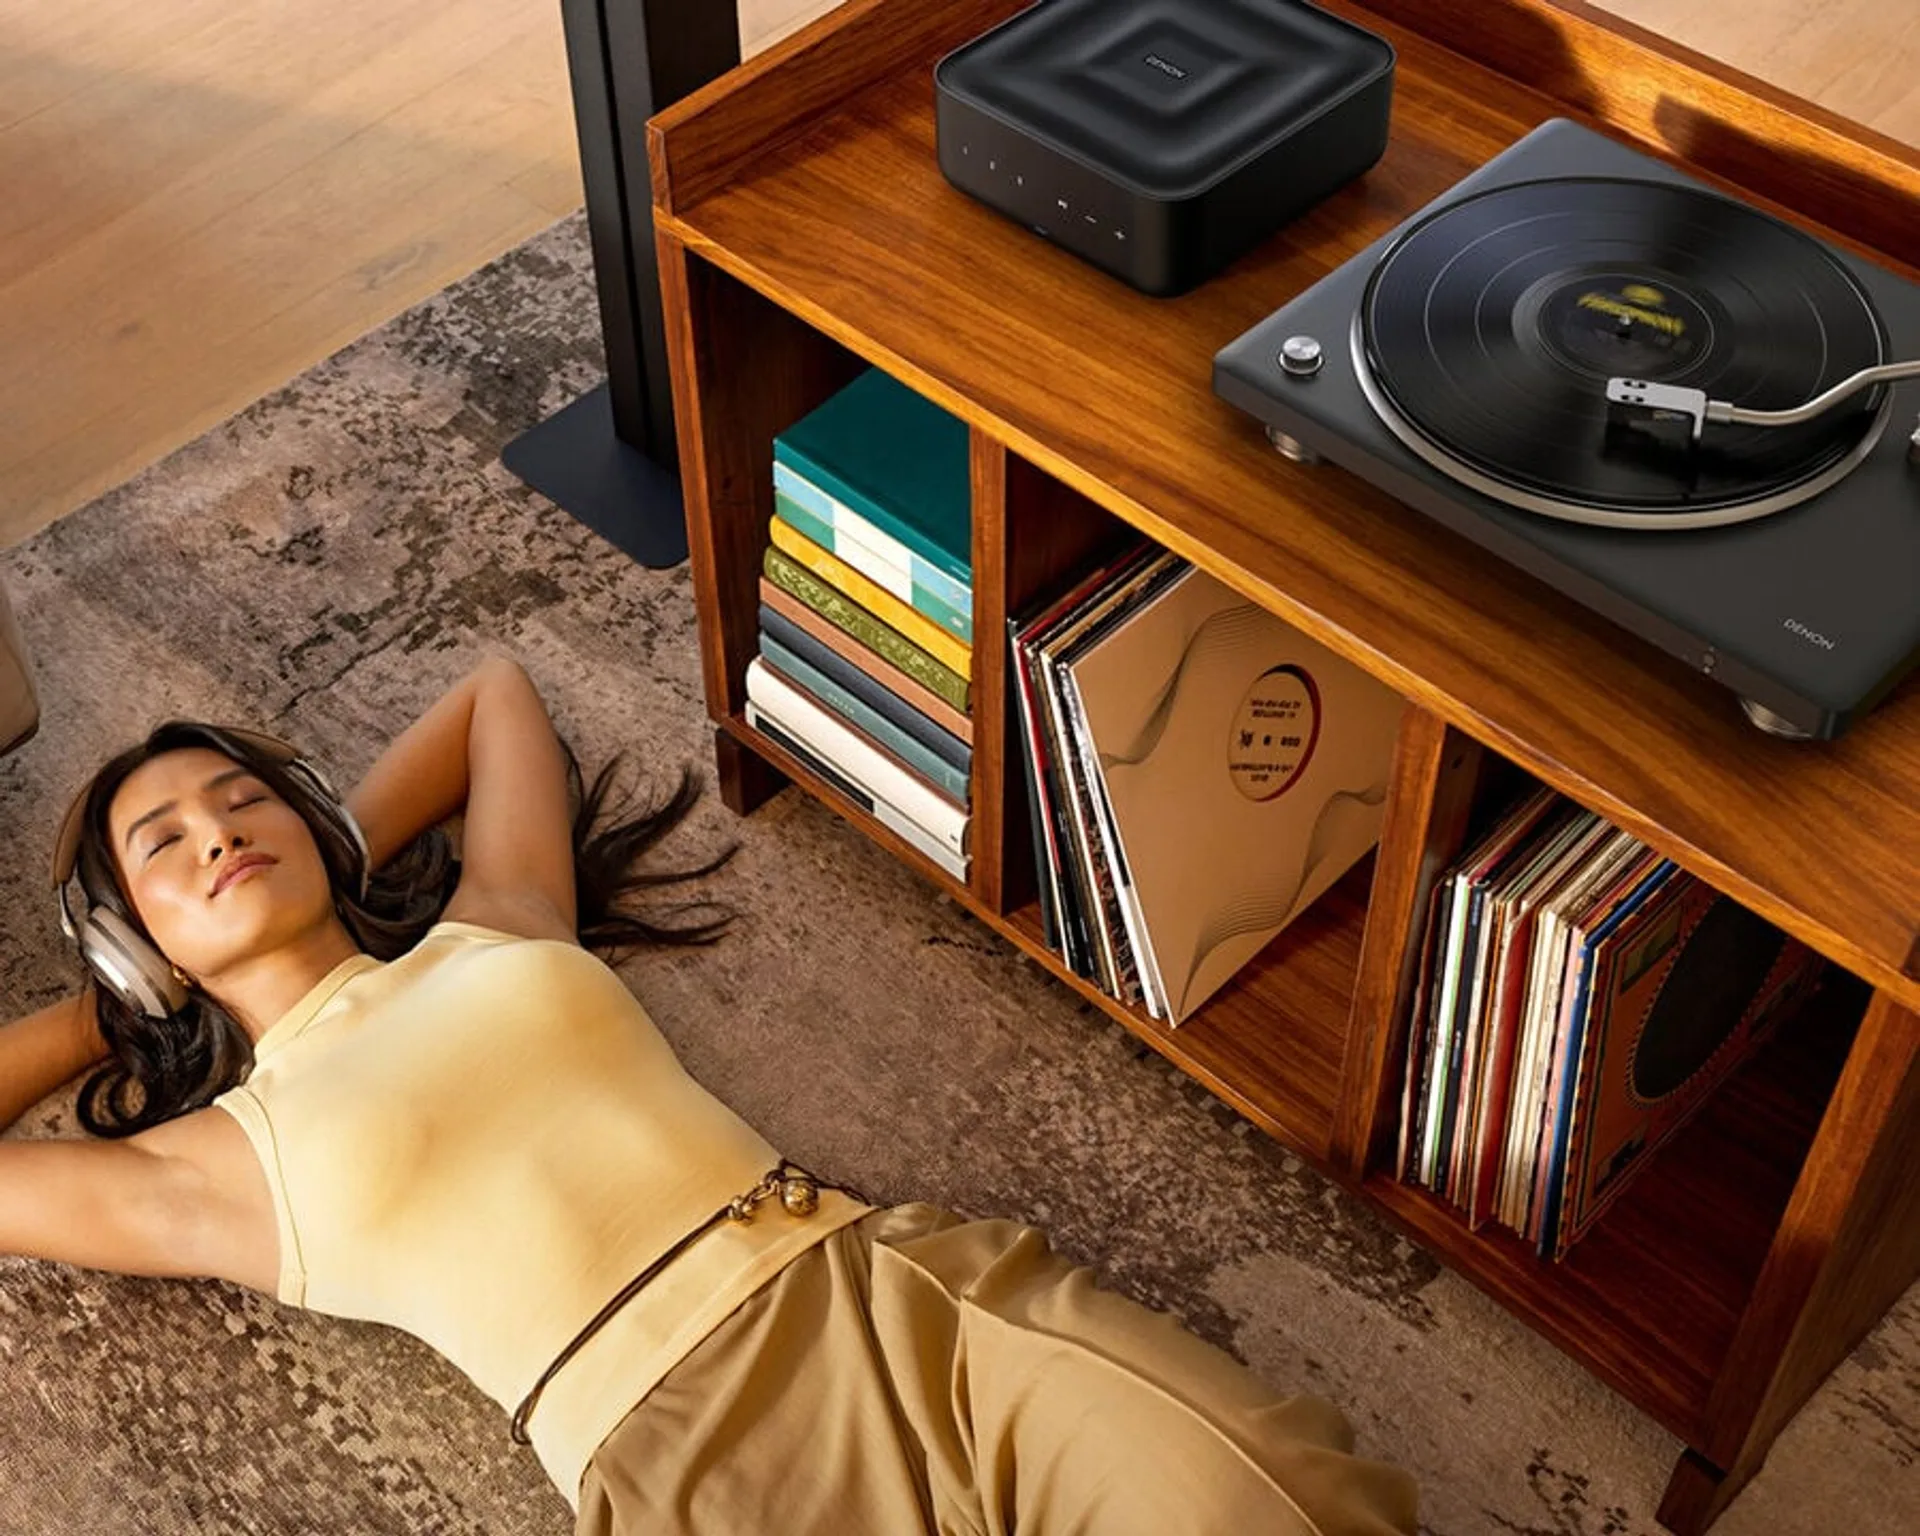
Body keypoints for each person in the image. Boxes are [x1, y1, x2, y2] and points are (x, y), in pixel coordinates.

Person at [1, 652, 1418, 1536]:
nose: (222, 833)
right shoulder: (210, 1169)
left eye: (243, 801)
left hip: (878, 1292)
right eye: (165, 843)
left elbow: (497, 694)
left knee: (1275, 1499)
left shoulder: (498, 921)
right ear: (137, 936)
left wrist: (328, 849)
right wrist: (117, 1012)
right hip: (688, 1468)